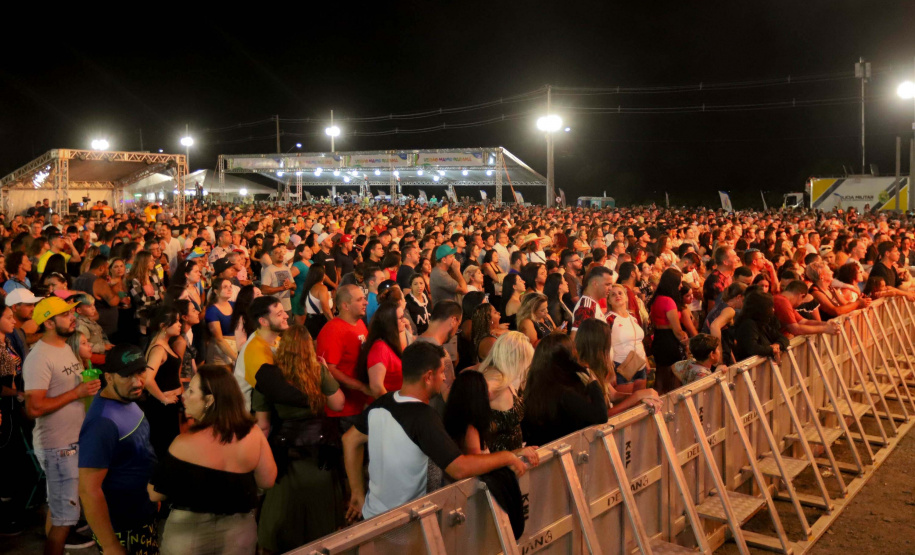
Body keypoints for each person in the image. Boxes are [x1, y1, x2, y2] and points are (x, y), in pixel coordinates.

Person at [342, 341, 532, 522]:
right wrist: (507, 456)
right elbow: (459, 468)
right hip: (405, 524)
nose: (444, 378)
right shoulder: (423, 417)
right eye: (442, 372)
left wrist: (357, 493)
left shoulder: (381, 404)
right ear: (428, 377)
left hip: (373, 515)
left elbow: (349, 440)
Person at [148, 366, 277, 555]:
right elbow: (267, 480)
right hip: (239, 531)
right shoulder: (254, 434)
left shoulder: (184, 443)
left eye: (191, 391)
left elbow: (155, 494)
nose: (184, 395)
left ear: (209, 400)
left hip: (189, 534)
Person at [253, 325, 346, 552]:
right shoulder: (318, 372)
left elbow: (263, 426)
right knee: (321, 518)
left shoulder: (269, 378)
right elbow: (338, 403)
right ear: (309, 347)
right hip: (320, 454)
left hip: (287, 458)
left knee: (284, 514)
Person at [24, 296, 100, 553]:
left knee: (65, 515)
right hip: (57, 447)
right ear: (48, 323)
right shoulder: (38, 358)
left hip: (73, 441)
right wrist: (76, 393)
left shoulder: (65, 347)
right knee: (63, 520)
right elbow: (33, 408)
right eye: (66, 314)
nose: (73, 317)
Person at [78, 345, 158, 555]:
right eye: (127, 376)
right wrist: (111, 545)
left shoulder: (127, 399)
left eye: (140, 372)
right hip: (124, 526)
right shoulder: (102, 423)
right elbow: (88, 490)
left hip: (141, 512)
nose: (137, 382)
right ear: (109, 377)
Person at [521, 334, 608, 446]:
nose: (576, 353)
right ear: (565, 358)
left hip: (542, 454)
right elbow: (600, 415)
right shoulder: (564, 393)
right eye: (573, 350)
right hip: (560, 455)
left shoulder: (534, 387)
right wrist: (594, 384)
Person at [574, 319, 662, 416]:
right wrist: (636, 396)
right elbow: (602, 416)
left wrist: (640, 397)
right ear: (599, 347)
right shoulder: (582, 376)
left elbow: (613, 395)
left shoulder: (594, 369)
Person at [316, 285, 371, 433]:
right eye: (360, 300)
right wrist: (361, 386)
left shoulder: (359, 323)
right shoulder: (332, 331)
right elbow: (329, 369)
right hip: (345, 411)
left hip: (361, 404)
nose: (366, 302)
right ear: (345, 305)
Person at [473, 331, 534, 451]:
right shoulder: (494, 383)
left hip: (510, 457)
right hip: (499, 461)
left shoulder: (501, 376)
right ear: (516, 360)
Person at [141, 308, 184, 460]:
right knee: (164, 447)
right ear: (163, 326)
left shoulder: (165, 344)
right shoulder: (158, 348)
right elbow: (147, 380)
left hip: (170, 405)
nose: (180, 324)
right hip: (162, 408)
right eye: (176, 321)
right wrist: (163, 398)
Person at [647, 268, 689, 393]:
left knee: (660, 377)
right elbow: (676, 329)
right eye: (679, 283)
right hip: (669, 341)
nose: (681, 286)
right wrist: (685, 339)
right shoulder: (669, 301)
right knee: (673, 378)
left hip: (659, 339)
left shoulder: (657, 299)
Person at [356, 301, 407, 399]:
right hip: (387, 408)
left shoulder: (391, 343)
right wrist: (393, 405)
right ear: (389, 322)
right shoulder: (380, 348)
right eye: (401, 318)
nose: (404, 320)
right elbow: (376, 387)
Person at [605, 284, 649, 392]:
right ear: (609, 301)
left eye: (620, 293)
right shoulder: (609, 319)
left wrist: (646, 361)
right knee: (627, 402)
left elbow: (638, 340)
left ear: (626, 297)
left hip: (640, 364)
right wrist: (610, 371)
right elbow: (605, 346)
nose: (617, 296)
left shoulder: (632, 316)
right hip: (621, 366)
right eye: (613, 294)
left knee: (640, 401)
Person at [733, 292, 789, 362]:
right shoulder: (748, 324)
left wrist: (777, 345)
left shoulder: (762, 323)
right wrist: (771, 350)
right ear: (761, 309)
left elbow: (783, 338)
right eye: (770, 307)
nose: (773, 310)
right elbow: (752, 348)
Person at [774, 280, 839, 338]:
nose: (800, 304)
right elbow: (795, 329)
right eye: (802, 301)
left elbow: (804, 322)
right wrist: (825, 329)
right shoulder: (782, 301)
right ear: (802, 296)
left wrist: (826, 324)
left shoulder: (784, 300)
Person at [571, 266, 613, 337]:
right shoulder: (586, 307)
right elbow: (575, 337)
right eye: (607, 284)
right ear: (595, 284)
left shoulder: (592, 304)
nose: (610, 288)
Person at [205, 277, 238, 365]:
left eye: (230, 286)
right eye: (225, 287)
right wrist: (236, 358)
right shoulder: (212, 310)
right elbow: (219, 339)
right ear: (216, 291)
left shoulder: (234, 305)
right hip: (219, 351)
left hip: (236, 346)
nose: (229, 289)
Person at [300, 264, 334, 339]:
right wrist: (333, 323)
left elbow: (306, 309)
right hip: (319, 322)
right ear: (322, 275)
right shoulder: (322, 288)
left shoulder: (308, 287)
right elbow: (326, 309)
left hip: (309, 321)